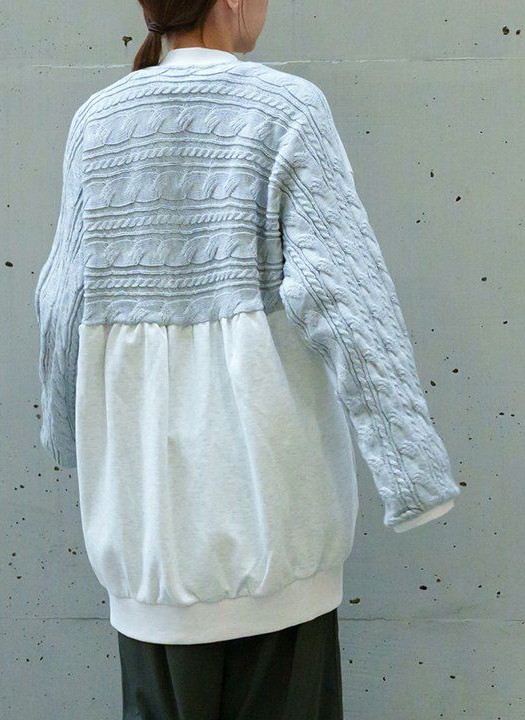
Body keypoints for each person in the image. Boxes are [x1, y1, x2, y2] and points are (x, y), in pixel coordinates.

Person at [33, 0, 461, 717]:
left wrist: (66, 436)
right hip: (272, 533)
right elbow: (346, 295)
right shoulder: (284, 109)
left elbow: (60, 301)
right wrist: (412, 473)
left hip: (145, 544)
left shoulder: (96, 122)